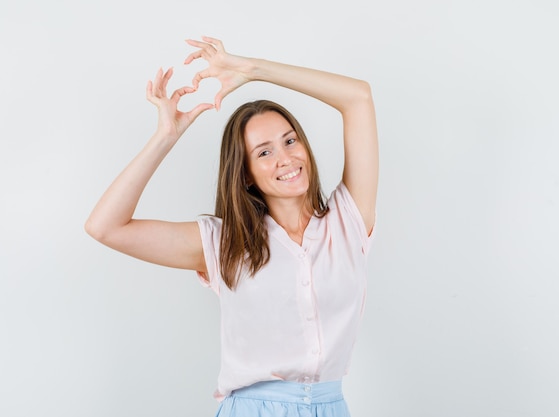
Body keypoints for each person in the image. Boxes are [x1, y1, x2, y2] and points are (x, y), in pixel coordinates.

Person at [85, 36, 378, 416]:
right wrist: (165, 137)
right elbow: (105, 227)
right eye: (265, 152)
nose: (286, 158)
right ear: (246, 175)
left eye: (290, 141)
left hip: (330, 407)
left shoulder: (347, 221)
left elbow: (358, 97)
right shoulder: (224, 242)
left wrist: (254, 70)